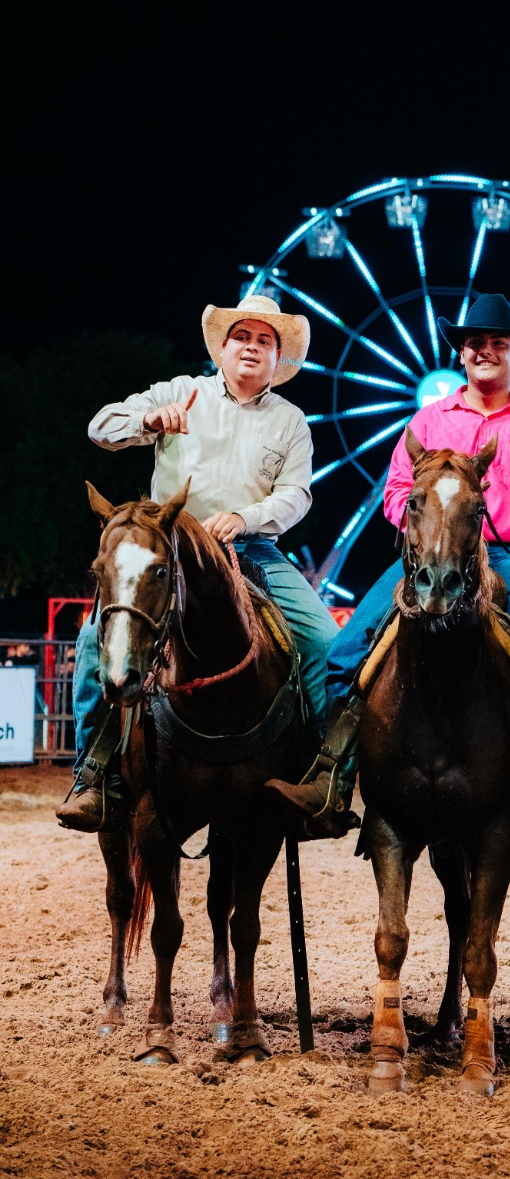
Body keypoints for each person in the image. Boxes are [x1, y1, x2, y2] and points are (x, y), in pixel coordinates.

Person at [267, 292, 510, 835]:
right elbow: (396, 492)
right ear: (461, 355)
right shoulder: (428, 421)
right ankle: (333, 776)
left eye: (498, 343)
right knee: (344, 651)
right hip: (429, 557)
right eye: (474, 344)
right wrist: (428, 524)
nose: (485, 351)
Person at [56, 294, 340, 832]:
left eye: (265, 341)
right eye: (243, 337)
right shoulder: (179, 392)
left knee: (326, 643)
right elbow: (99, 428)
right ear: (223, 348)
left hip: (249, 549)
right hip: (170, 548)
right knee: (96, 638)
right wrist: (147, 417)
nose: (252, 348)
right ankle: (94, 775)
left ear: (279, 357)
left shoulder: (291, 420)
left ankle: (322, 777)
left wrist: (247, 516)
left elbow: (297, 494)